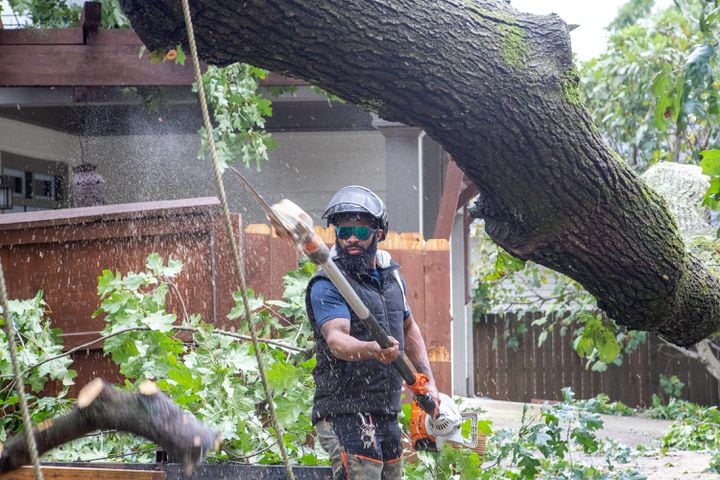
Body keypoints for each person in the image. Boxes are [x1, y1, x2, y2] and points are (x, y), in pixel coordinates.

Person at [306, 185, 439, 480]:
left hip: (385, 408)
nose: (352, 238)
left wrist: (425, 381)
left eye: (361, 232)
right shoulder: (328, 283)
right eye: (344, 231)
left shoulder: (392, 278)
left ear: (378, 233)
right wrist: (372, 350)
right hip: (345, 409)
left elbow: (409, 326)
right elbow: (336, 340)